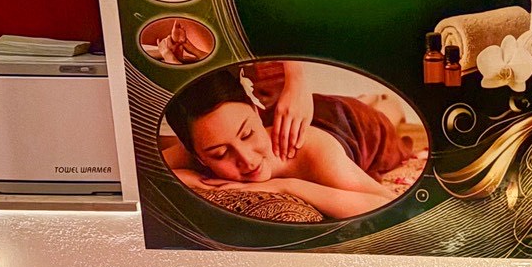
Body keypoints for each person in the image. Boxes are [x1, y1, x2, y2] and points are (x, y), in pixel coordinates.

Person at [162, 64, 418, 220]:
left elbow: (389, 204)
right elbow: (147, 170)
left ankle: (381, 101)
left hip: (350, 122)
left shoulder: (313, 152)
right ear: (198, 156)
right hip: (302, 117)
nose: (247, 160)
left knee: (386, 117)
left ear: (256, 111)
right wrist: (193, 179)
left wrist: (286, 186)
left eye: (248, 134)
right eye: (220, 154)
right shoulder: (198, 146)